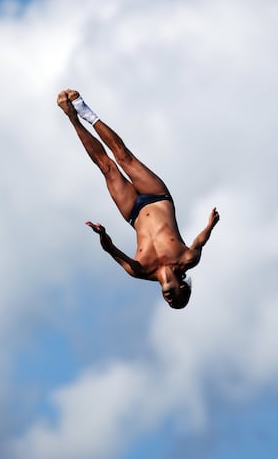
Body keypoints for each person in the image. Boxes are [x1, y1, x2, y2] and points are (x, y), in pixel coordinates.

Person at [57, 89, 220, 309]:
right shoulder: (187, 259)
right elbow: (200, 241)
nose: (169, 300)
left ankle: (72, 117)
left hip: (133, 212)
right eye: (177, 301)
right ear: (183, 288)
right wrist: (210, 225)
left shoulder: (141, 271)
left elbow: (111, 250)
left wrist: (102, 234)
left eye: (168, 302)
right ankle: (84, 111)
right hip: (157, 197)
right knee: (123, 156)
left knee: (106, 167)